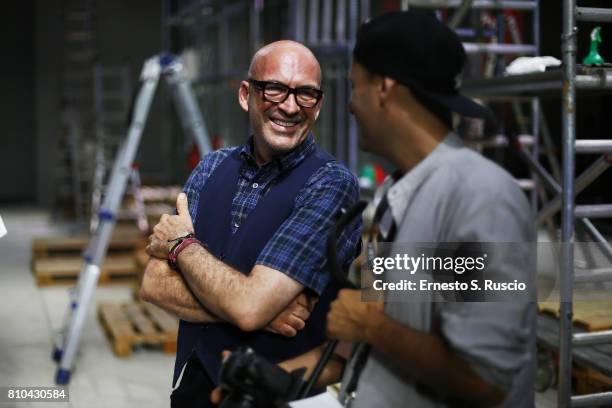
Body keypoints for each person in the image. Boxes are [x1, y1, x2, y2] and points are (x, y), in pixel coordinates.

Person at [272, 11, 536, 408]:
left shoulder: (480, 198)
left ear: (383, 88)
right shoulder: (397, 193)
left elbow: (485, 379)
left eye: (355, 88)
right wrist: (270, 380)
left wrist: (372, 327)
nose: (350, 107)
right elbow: (371, 329)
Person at [140, 40, 362, 408]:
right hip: (196, 385)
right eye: (274, 89)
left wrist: (182, 245)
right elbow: (153, 284)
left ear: (318, 106)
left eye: (305, 94)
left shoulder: (330, 184)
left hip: (277, 390)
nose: (289, 106)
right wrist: (258, 311)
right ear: (246, 94)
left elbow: (250, 308)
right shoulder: (211, 168)